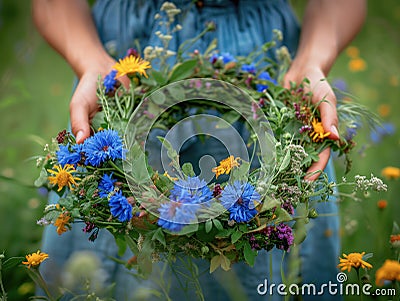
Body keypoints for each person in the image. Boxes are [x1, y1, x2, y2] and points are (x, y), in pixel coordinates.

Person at [32, 0, 366, 300]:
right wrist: (90, 61)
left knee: (266, 243)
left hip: (269, 85)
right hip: (122, 76)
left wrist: (311, 60)